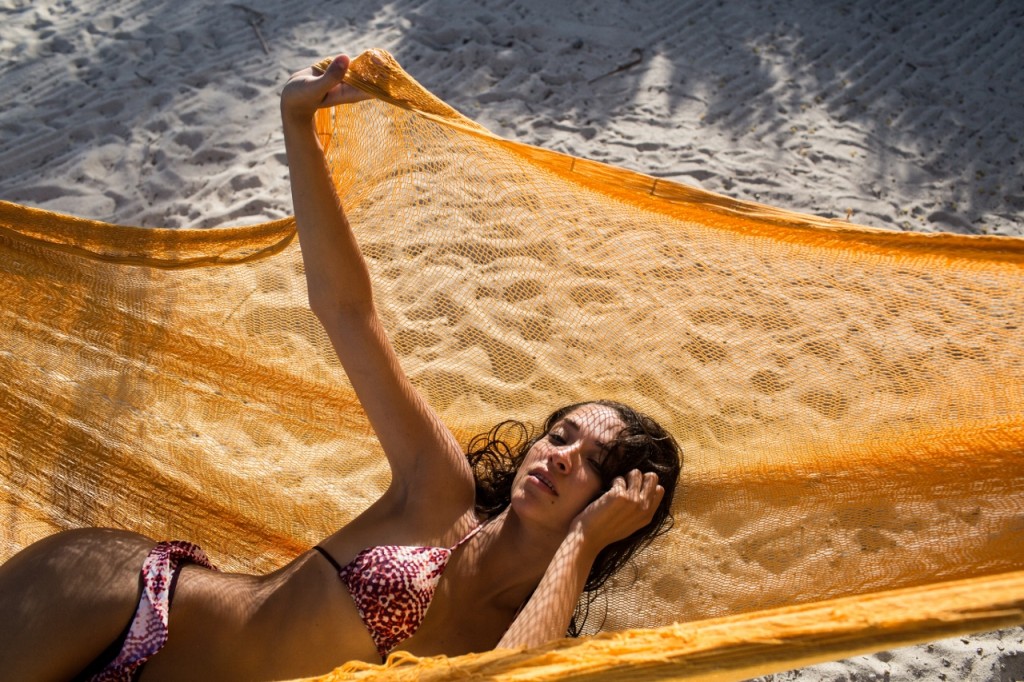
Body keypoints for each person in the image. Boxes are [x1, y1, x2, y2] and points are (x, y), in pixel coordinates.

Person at [0, 53, 681, 682]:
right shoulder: (439, 491)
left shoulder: (530, 630)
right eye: (561, 434)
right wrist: (297, 123)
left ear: (622, 505)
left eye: (595, 459)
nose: (562, 456)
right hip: (125, 603)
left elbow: (510, 677)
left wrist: (584, 543)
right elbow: (348, 310)